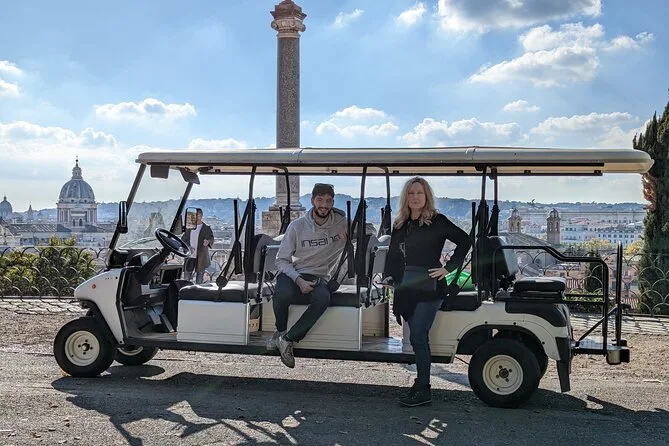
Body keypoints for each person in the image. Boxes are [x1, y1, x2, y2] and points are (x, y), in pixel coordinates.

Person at [383, 177, 470, 407]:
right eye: (411, 193)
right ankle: (421, 384)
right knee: (415, 337)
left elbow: (465, 240)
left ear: (427, 196)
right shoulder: (400, 223)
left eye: (419, 193)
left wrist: (448, 268)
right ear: (406, 197)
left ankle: (424, 389)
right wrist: (389, 277)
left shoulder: (437, 221)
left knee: (418, 336)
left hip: (430, 288)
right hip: (407, 288)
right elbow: (393, 255)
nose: (415, 197)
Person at [267, 183, 348, 368]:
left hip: (319, 276)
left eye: (328, 201)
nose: (324, 205)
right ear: (312, 201)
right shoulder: (296, 226)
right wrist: (298, 280)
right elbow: (281, 260)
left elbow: (370, 230)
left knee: (323, 298)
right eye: (320, 200)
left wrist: (350, 232)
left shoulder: (341, 223)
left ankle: (288, 339)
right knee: (282, 293)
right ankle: (280, 331)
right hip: (294, 273)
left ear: (333, 203)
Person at [181, 208, 214, 284]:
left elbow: (211, 238)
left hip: (201, 257)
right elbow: (183, 239)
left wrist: (208, 242)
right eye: (195, 215)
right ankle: (186, 289)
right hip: (190, 256)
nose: (196, 216)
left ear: (201, 216)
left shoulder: (206, 228)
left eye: (198, 215)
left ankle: (198, 290)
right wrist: (187, 247)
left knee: (199, 278)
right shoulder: (189, 227)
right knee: (186, 277)